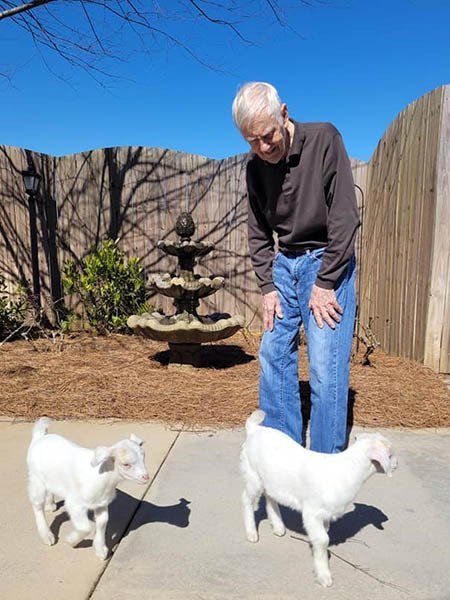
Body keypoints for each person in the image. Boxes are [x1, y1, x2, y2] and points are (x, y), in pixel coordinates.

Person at [232, 82, 360, 453]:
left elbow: (344, 218)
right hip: (284, 266)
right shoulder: (255, 167)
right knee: (273, 354)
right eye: (252, 141)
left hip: (326, 262)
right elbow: (257, 230)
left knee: (325, 367)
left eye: (268, 135)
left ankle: (324, 466)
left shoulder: (323, 140)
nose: (263, 147)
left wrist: (326, 282)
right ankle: (281, 456)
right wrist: (267, 287)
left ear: (284, 113)